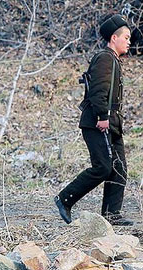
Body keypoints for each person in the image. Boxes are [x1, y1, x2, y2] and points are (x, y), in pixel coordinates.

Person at [55, 14, 133, 226]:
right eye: (126, 37)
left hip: (112, 123)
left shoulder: (113, 59)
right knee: (103, 167)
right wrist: (102, 116)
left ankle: (111, 213)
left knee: (119, 167)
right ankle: (64, 198)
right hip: (98, 122)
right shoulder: (105, 58)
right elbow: (98, 91)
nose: (129, 41)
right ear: (113, 38)